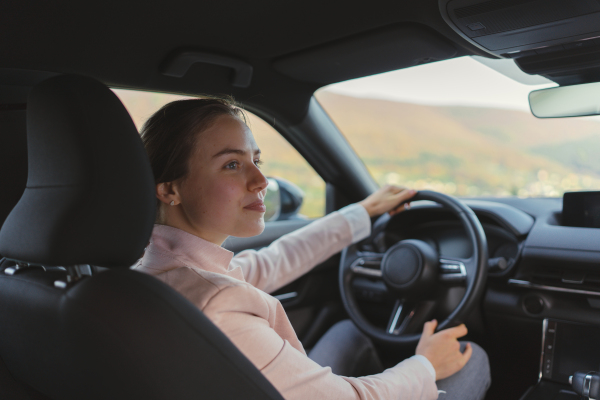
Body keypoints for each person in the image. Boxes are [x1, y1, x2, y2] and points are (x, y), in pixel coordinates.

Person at [133, 98, 491, 400]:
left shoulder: (149, 274)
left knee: (350, 332)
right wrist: (426, 365)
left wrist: (361, 212)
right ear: (169, 190)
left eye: (256, 160)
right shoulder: (219, 308)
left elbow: (270, 263)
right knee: (472, 360)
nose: (260, 181)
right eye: (232, 164)